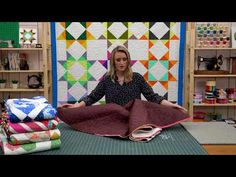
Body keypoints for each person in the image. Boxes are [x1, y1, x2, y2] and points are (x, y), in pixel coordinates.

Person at [60, 45, 187, 113]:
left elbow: (153, 97)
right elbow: (92, 97)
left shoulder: (137, 78)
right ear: (113, 62)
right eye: (118, 60)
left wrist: (172, 105)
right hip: (113, 118)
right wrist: (76, 106)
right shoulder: (107, 80)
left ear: (128, 61)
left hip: (135, 117)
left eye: (124, 59)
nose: (121, 62)